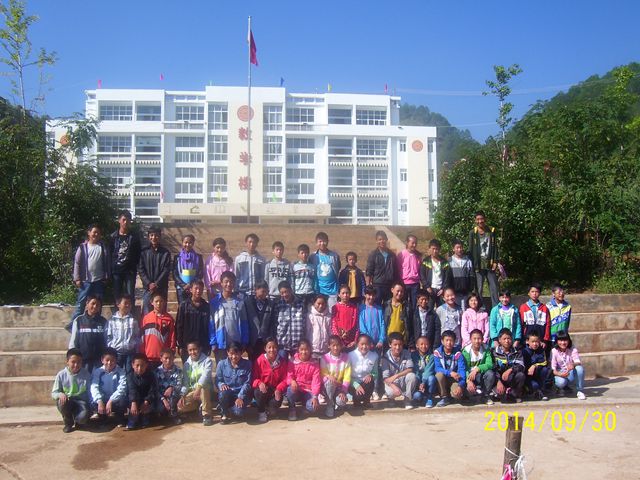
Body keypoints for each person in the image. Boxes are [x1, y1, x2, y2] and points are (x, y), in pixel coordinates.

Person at [70, 224, 110, 327]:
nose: (96, 234)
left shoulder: (102, 247)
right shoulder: (83, 247)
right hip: (85, 281)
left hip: (98, 281)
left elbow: (107, 263)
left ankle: (96, 325)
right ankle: (73, 325)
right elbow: (77, 263)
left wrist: (106, 276)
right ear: (89, 233)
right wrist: (77, 278)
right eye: (94, 232)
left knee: (98, 305)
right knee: (81, 304)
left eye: (98, 233)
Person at [209, 271, 249, 362]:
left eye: (231, 282)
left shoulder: (239, 302)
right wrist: (213, 342)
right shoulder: (214, 302)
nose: (228, 284)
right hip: (220, 344)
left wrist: (245, 341)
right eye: (226, 281)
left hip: (236, 343)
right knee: (222, 368)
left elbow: (244, 323)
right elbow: (211, 324)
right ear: (221, 283)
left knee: (235, 367)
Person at [52, 348, 91, 433]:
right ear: (67, 362)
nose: (76, 365)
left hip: (81, 402)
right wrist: (60, 394)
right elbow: (54, 393)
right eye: (73, 362)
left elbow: (89, 392)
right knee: (61, 402)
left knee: (83, 417)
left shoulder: (86, 374)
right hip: (68, 401)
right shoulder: (61, 375)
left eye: (79, 362)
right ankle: (68, 422)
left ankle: (79, 421)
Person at [251, 337, 288, 423]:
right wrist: (259, 383)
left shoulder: (282, 361)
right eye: (269, 347)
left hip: (274, 390)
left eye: (274, 347)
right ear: (265, 348)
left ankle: (269, 408)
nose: (272, 350)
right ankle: (261, 411)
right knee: (258, 392)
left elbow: (285, 379)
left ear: (277, 348)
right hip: (263, 390)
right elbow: (253, 378)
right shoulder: (259, 361)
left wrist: (279, 388)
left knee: (274, 408)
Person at [68, 295, 107, 373]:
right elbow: (73, 340)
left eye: (97, 305)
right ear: (87, 303)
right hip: (82, 360)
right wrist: (72, 356)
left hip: (98, 361)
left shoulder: (103, 321)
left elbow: (106, 341)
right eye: (93, 303)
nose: (95, 306)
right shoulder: (78, 320)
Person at [468, 211, 499, 309]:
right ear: (475, 220)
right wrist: (471, 264)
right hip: (478, 265)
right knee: (479, 288)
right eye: (478, 219)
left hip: (490, 264)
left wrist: (495, 261)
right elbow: (470, 249)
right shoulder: (473, 233)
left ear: (485, 219)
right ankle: (480, 308)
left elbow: (495, 248)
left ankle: (495, 309)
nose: (480, 221)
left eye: (481, 219)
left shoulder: (491, 231)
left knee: (494, 287)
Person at [216, 342, 252, 423]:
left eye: (237, 354)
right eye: (231, 354)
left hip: (241, 394)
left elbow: (247, 383)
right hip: (228, 394)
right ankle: (224, 413)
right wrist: (221, 384)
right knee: (222, 393)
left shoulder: (248, 364)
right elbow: (218, 380)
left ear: (241, 353)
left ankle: (228, 408)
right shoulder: (221, 364)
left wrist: (240, 397)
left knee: (238, 413)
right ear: (227, 352)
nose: (234, 356)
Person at [138, 226, 172, 315]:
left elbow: (166, 269)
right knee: (146, 310)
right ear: (148, 237)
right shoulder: (144, 252)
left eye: (156, 235)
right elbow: (141, 269)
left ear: (160, 237)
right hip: (148, 288)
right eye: (151, 235)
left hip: (161, 287)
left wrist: (156, 283)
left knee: (161, 312)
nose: (154, 237)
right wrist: (149, 283)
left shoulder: (165, 253)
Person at [179, 341, 214, 426]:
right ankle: (197, 408)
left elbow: (205, 377)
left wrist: (198, 388)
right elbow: (186, 382)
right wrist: (182, 395)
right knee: (179, 408)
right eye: (190, 350)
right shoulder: (187, 364)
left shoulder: (207, 361)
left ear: (200, 349)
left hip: (205, 390)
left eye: (195, 349)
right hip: (193, 391)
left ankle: (206, 415)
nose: (192, 352)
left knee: (203, 387)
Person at [109, 210, 141, 304]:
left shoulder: (134, 237)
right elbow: (110, 253)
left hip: (129, 271)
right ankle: (117, 312)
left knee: (130, 295)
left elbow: (138, 253)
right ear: (119, 220)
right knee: (117, 295)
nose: (125, 222)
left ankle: (131, 312)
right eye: (123, 220)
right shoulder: (113, 237)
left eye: (128, 220)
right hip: (116, 271)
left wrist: (134, 265)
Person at [89, 347, 127, 425]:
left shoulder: (121, 371)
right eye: (107, 360)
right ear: (102, 360)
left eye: (112, 360)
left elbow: (122, 388)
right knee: (92, 400)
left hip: (115, 400)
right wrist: (99, 401)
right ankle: (102, 415)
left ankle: (119, 417)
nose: (109, 363)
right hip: (102, 399)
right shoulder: (98, 372)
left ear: (116, 360)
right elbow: (94, 387)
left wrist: (111, 400)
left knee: (123, 400)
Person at [286, 339, 321, 421]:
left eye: (306, 349)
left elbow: (316, 381)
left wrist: (315, 396)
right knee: (290, 390)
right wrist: (292, 381)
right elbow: (289, 376)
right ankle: (292, 409)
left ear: (310, 350)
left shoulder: (315, 363)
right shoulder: (293, 361)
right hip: (297, 389)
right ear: (298, 350)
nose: (304, 352)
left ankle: (305, 406)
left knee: (313, 407)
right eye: (301, 349)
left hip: (308, 391)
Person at [176, 279, 210, 362]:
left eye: (200, 289)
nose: (198, 291)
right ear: (191, 289)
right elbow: (179, 326)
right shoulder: (184, 306)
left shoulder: (206, 306)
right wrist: (180, 345)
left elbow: (208, 327)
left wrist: (208, 345)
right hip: (186, 346)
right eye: (196, 288)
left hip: (202, 345)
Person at [381, 332, 417, 409]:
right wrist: (394, 387)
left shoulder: (406, 353)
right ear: (390, 344)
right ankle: (391, 399)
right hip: (392, 383)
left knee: (412, 376)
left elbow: (410, 369)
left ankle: (407, 399)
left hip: (403, 380)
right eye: (395, 345)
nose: (397, 347)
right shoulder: (385, 357)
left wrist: (396, 376)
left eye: (400, 345)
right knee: (391, 393)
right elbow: (385, 378)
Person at [140, 293, 176, 370]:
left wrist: (172, 351)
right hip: (149, 357)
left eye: (161, 301)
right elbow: (142, 338)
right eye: (156, 301)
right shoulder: (146, 318)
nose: (159, 303)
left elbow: (172, 337)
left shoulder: (169, 319)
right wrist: (142, 353)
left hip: (164, 358)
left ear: (164, 302)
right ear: (152, 302)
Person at [106, 294, 139, 373]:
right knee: (115, 373)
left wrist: (133, 345)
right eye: (125, 303)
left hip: (130, 353)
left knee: (129, 373)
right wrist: (112, 347)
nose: (128, 305)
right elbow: (108, 337)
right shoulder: (112, 320)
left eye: (129, 304)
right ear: (118, 304)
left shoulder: (133, 320)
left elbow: (137, 336)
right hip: (116, 353)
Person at [320, 335, 351, 417]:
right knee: (330, 382)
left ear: (341, 346)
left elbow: (347, 377)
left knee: (342, 402)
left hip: (339, 388)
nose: (336, 348)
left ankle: (335, 401)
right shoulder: (324, 358)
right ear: (329, 346)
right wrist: (328, 377)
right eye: (333, 345)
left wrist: (343, 391)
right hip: (327, 387)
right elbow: (322, 375)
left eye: (338, 345)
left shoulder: (346, 357)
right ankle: (330, 404)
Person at [462, 329, 496, 405]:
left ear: (483, 339)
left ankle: (485, 395)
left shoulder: (486, 349)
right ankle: (467, 395)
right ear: (470, 339)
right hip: (469, 376)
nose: (477, 341)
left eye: (479, 338)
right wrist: (468, 381)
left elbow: (489, 364)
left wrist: (478, 369)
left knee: (490, 374)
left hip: (480, 375)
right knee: (468, 393)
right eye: (474, 339)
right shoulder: (465, 351)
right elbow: (464, 368)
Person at [244, 280, 275, 360]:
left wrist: (271, 340)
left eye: (266, 292)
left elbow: (272, 324)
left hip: (265, 341)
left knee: (265, 363)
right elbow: (245, 323)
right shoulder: (247, 303)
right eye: (262, 292)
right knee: (253, 363)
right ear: (256, 290)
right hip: (252, 341)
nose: (264, 294)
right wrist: (247, 343)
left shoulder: (271, 304)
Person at [309, 231, 341, 310]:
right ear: (316, 243)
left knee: (332, 312)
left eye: (324, 241)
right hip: (319, 291)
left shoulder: (334, 256)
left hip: (332, 291)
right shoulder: (313, 256)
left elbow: (337, 268)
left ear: (328, 241)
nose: (322, 243)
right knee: (320, 312)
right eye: (320, 241)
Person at [493, 328, 526, 403]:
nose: (507, 341)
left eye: (509, 338)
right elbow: (493, 368)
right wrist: (498, 381)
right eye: (504, 339)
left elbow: (521, 366)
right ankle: (498, 393)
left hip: (511, 378)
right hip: (499, 379)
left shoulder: (517, 351)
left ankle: (513, 393)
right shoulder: (494, 352)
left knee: (521, 375)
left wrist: (510, 370)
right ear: (499, 340)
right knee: (491, 375)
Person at [274, 281, 306, 358]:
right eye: (282, 293)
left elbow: (305, 321)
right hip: (282, 344)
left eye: (286, 291)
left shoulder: (300, 303)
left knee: (296, 364)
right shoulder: (278, 304)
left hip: (297, 343)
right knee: (282, 364)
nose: (284, 294)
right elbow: (275, 323)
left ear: (291, 290)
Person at [433, 330, 465, 407]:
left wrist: (460, 385)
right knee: (439, 375)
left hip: (454, 379)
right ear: (442, 341)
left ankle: (451, 395)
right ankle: (444, 397)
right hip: (443, 378)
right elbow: (437, 368)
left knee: (457, 395)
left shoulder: (458, 354)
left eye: (451, 340)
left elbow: (462, 370)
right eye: (446, 340)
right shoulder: (437, 352)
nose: (449, 343)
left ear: (454, 342)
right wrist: (450, 373)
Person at [551, 331, 586, 400]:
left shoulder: (572, 348)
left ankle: (580, 391)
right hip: (560, 374)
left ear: (568, 340)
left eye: (565, 340)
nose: (563, 343)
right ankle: (560, 388)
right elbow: (553, 369)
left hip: (570, 373)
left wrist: (573, 364)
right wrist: (560, 374)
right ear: (557, 341)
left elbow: (578, 361)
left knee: (579, 368)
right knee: (561, 382)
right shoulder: (554, 351)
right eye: (560, 340)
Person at [126, 353, 157, 430]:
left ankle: (145, 416)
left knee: (150, 406)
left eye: (142, 365)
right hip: (134, 399)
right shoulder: (130, 376)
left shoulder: (151, 375)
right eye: (137, 365)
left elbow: (152, 390)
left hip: (147, 400)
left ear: (146, 365)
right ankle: (133, 417)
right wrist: (133, 403)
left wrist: (147, 401)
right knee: (128, 402)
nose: (139, 368)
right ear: (132, 365)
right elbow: (132, 390)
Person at [365, 231, 397, 306]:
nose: (382, 241)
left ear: (386, 239)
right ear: (376, 241)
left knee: (388, 307)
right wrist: (368, 286)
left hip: (389, 285)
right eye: (379, 239)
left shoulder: (392, 255)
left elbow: (395, 271)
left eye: (383, 239)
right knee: (377, 306)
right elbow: (369, 271)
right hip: (377, 285)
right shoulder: (373, 254)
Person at [420, 238, 453, 310]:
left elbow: (447, 277)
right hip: (430, 290)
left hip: (440, 290)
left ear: (439, 249)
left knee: (442, 309)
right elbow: (422, 275)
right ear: (429, 248)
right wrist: (427, 286)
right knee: (429, 309)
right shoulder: (426, 261)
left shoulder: (444, 262)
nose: (435, 251)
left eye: (437, 249)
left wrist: (443, 288)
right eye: (433, 249)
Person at [348, 334, 379, 408]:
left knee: (370, 380)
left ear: (370, 345)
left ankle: (366, 401)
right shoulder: (350, 355)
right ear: (357, 344)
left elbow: (375, 373)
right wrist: (356, 385)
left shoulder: (374, 356)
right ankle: (356, 401)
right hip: (353, 383)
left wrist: (371, 375)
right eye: (362, 344)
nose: (364, 347)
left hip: (366, 383)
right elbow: (346, 375)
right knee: (358, 396)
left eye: (367, 344)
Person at [173, 234, 204, 305]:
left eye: (190, 243)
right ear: (182, 243)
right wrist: (183, 285)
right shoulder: (177, 257)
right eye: (185, 242)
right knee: (182, 307)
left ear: (193, 243)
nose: (187, 245)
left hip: (193, 288)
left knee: (193, 307)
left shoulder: (198, 257)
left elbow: (200, 273)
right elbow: (175, 273)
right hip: (181, 288)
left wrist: (191, 285)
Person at [519, 283, 551, 351]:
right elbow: (520, 324)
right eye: (532, 291)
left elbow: (548, 324)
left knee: (540, 356)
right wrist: (522, 339)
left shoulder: (544, 308)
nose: (534, 294)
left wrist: (545, 340)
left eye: (537, 292)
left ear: (539, 293)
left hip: (540, 340)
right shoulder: (523, 307)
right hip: (527, 340)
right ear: (528, 293)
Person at [155, 348, 183, 424]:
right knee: (160, 409)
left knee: (173, 393)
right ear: (161, 359)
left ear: (173, 358)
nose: (168, 360)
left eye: (170, 358)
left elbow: (179, 384)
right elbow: (156, 388)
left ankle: (173, 414)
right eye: (166, 358)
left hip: (174, 395)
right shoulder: (157, 371)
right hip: (161, 396)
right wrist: (163, 399)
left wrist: (172, 387)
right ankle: (163, 415)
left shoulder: (178, 370)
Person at [397, 234, 422, 316]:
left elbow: (420, 269)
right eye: (412, 243)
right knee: (403, 304)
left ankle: (413, 321)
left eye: (415, 243)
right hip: (404, 283)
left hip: (415, 284)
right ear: (407, 243)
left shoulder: (418, 255)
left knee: (414, 305)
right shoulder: (401, 254)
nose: (414, 245)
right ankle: (404, 321)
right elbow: (398, 268)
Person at [234, 233, 266, 297]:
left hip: (257, 293)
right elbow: (237, 276)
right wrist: (236, 290)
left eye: (254, 242)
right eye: (250, 242)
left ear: (257, 244)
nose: (252, 244)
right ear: (246, 243)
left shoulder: (261, 260)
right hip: (242, 292)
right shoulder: (239, 259)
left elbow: (263, 276)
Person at [523, 332, 551, 401]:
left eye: (537, 342)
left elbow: (544, 362)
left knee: (545, 370)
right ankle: (527, 389)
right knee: (534, 385)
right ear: (527, 341)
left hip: (537, 373)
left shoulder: (541, 350)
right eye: (532, 342)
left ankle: (540, 390)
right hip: (527, 376)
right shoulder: (524, 351)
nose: (535, 344)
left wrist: (534, 365)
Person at [358, 286, 386, 355]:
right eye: (369, 295)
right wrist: (369, 341)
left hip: (378, 344)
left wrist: (381, 340)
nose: (371, 297)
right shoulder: (361, 309)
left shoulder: (379, 309)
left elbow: (382, 324)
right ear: (365, 294)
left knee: (377, 360)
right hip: (366, 343)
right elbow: (362, 327)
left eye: (373, 295)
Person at [331, 285, 359, 351]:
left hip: (351, 342)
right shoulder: (335, 307)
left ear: (350, 294)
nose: (345, 295)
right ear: (339, 295)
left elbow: (357, 325)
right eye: (343, 293)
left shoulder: (354, 308)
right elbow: (333, 324)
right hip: (339, 343)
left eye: (347, 293)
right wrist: (339, 340)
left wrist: (355, 340)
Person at [411, 336, 437, 408]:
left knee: (432, 378)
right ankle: (421, 397)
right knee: (417, 396)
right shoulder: (413, 355)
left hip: (427, 382)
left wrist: (423, 382)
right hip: (418, 383)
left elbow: (428, 371)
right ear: (417, 345)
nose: (424, 346)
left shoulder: (432, 356)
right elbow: (415, 370)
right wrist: (419, 383)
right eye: (421, 344)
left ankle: (430, 398)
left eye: (426, 344)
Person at [449, 239, 475, 311]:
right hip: (454, 291)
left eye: (461, 247)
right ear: (453, 249)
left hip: (466, 291)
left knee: (465, 310)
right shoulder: (449, 261)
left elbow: (471, 275)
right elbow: (447, 277)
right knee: (455, 310)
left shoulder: (468, 260)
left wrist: (470, 288)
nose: (459, 249)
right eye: (457, 248)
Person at [306, 294, 332, 358]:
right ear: (314, 303)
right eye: (318, 303)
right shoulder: (310, 316)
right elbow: (307, 332)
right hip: (313, 350)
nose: (321, 306)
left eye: (323, 304)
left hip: (325, 349)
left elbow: (330, 332)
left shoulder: (329, 316)